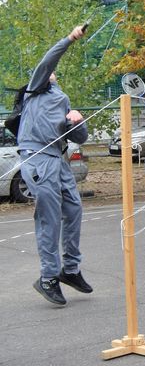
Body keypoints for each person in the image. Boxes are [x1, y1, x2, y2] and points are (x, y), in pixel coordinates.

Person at [21, 25, 92, 306]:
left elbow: (79, 138)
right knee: (49, 219)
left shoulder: (62, 99)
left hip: (58, 159)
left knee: (74, 210)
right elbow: (49, 59)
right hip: (38, 157)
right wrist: (71, 38)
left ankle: (70, 270)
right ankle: (48, 277)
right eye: (48, 69)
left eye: (53, 71)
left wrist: (77, 121)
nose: (51, 70)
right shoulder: (35, 90)